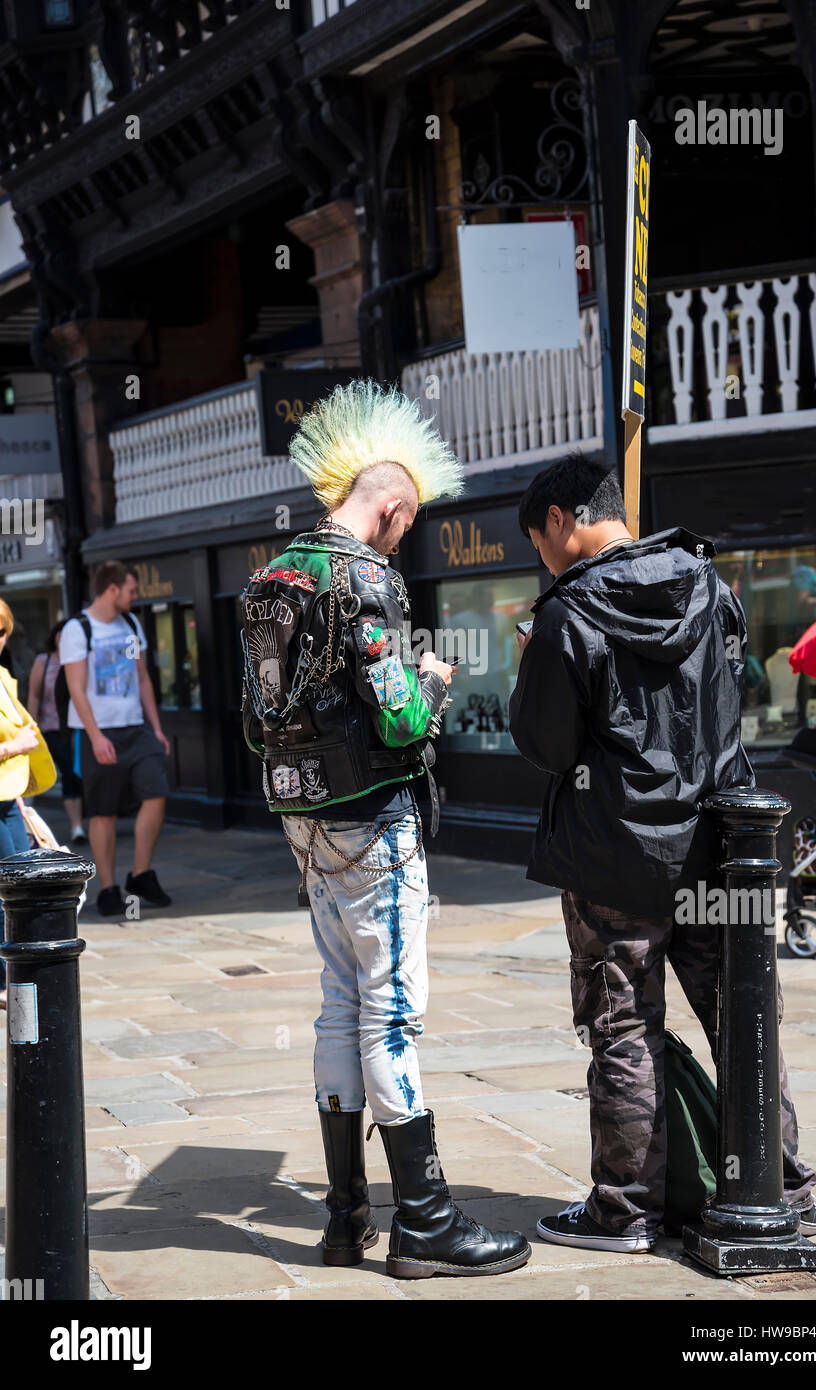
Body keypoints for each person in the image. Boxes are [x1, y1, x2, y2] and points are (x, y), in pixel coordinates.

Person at [241, 379, 530, 1279]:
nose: (407, 534)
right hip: (372, 817)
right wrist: (436, 679)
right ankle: (427, 1223)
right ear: (392, 503)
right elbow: (401, 721)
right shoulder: (367, 578)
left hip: (299, 812)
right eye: (409, 520)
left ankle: (342, 1219)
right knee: (391, 1015)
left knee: (337, 1004)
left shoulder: (271, 575)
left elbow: (255, 718)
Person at [508, 453, 816, 1253]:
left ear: (559, 521)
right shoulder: (710, 587)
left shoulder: (565, 614)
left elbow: (546, 746)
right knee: (742, 1021)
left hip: (613, 855)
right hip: (720, 845)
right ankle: (782, 1185)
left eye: (535, 541)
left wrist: (528, 665)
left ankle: (627, 1211)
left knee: (622, 1028)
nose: (539, 558)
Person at [59, 561, 172, 918]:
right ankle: (108, 888)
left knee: (156, 793)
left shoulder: (132, 624)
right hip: (98, 732)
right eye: (131, 590)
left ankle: (140, 874)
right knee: (103, 813)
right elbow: (76, 689)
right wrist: (95, 737)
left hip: (136, 729)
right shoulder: (78, 630)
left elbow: (142, 679)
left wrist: (155, 728)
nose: (135, 597)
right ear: (112, 589)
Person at [0, 597, 57, 1008]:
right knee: (11, 888)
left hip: (7, 800)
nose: (0, 639)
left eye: (3, 631)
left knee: (20, 885)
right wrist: (15, 746)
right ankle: (8, 978)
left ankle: (19, 974)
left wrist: (20, 798)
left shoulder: (3, 676)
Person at [28, 620, 87, 844]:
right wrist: (33, 728)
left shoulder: (78, 660)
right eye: (61, 635)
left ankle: (79, 825)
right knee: (66, 773)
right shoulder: (43, 662)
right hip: (50, 728)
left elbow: (137, 661)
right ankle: (75, 826)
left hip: (76, 727)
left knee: (76, 775)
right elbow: (34, 695)